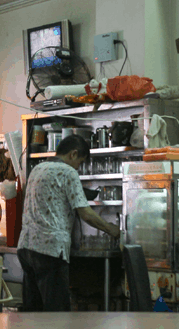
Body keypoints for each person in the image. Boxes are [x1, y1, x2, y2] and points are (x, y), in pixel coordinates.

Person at [17, 134, 121, 312]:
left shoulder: (38, 169)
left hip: (26, 247)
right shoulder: (68, 172)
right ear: (73, 154)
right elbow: (86, 213)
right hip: (50, 250)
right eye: (80, 162)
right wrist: (112, 229)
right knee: (56, 314)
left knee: (32, 314)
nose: (78, 168)